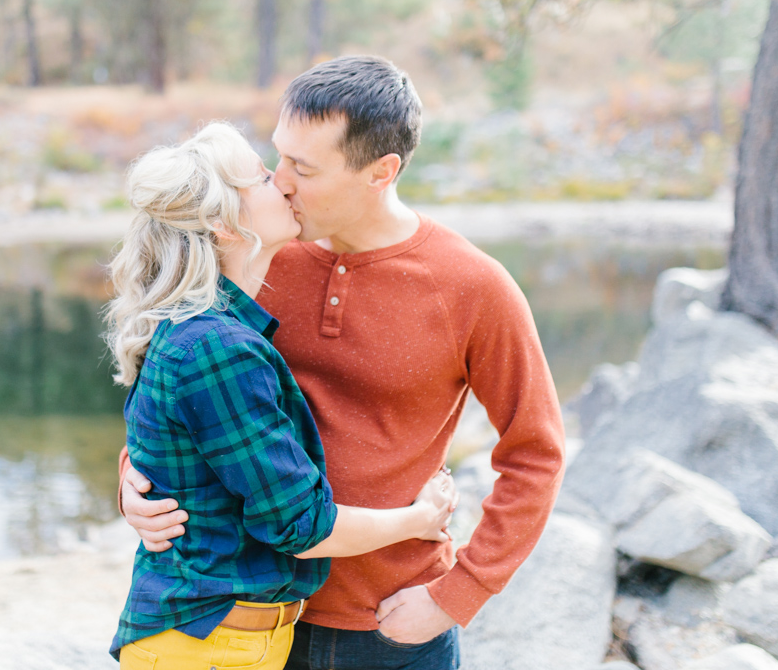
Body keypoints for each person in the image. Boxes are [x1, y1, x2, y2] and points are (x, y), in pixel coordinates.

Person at [120, 56, 567, 670]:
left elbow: (535, 452)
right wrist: (135, 481)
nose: (280, 181)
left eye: (303, 168)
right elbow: (172, 388)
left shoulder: (473, 286)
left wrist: (456, 595)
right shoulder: (256, 254)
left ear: (381, 172)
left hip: (394, 625)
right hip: (248, 621)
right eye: (279, 156)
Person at [105, 122, 458, 670]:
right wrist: (418, 519)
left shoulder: (209, 329)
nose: (286, 183)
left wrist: (134, 475)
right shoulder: (215, 346)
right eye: (265, 176)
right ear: (224, 225)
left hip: (232, 643)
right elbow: (301, 526)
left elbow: (179, 442)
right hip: (210, 646)